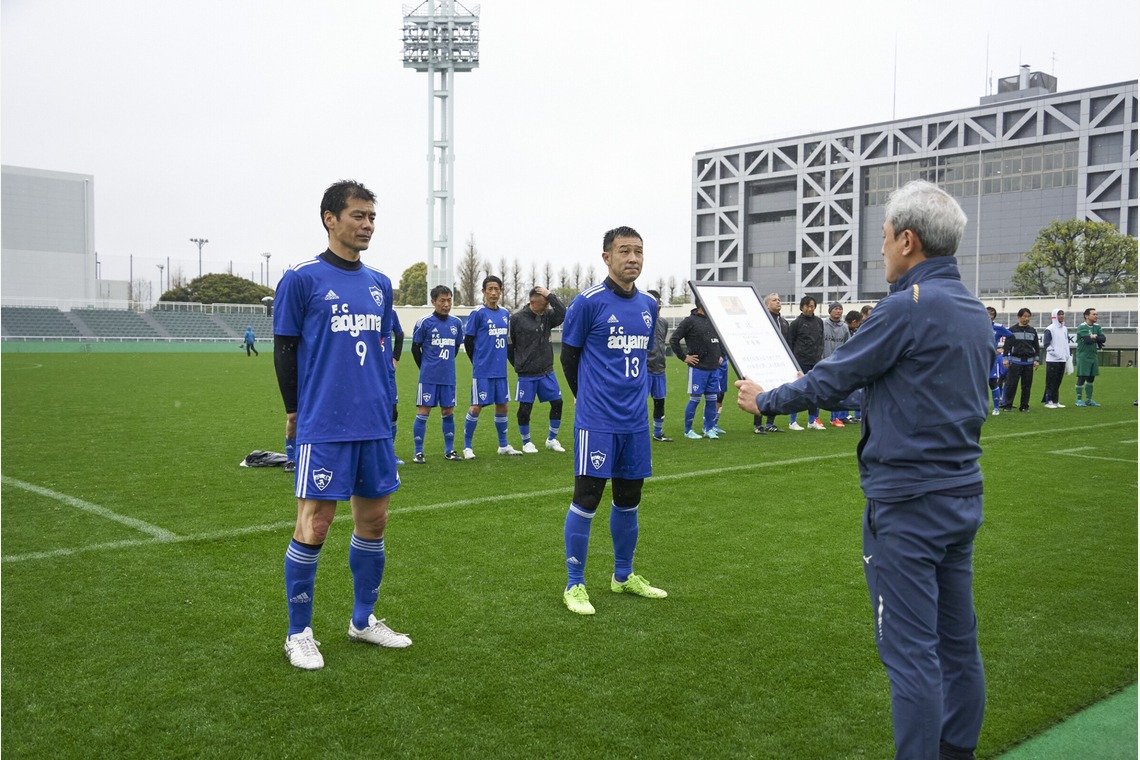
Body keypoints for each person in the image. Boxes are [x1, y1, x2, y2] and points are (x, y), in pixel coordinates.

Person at [737, 180, 989, 760]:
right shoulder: (974, 310)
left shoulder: (905, 308)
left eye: (883, 239)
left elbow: (831, 378)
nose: (881, 252)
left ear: (908, 240)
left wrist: (767, 399)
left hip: (907, 504)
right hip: (961, 495)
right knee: (957, 643)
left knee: (911, 654)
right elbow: (904, 389)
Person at [273, 180, 412, 671]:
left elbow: (381, 349)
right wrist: (294, 410)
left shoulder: (379, 282)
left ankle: (363, 620)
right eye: (357, 216)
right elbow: (285, 349)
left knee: (374, 522)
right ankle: (299, 632)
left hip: (373, 422)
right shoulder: (301, 278)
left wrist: (389, 403)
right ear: (330, 219)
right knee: (316, 523)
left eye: (372, 217)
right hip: (324, 423)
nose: (367, 225)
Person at [560, 225, 666, 615]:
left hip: (635, 423)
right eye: (624, 251)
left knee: (629, 500)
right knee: (587, 499)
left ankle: (623, 577)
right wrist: (586, 399)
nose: (633, 258)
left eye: (638, 251)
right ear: (607, 257)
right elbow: (568, 358)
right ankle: (574, 585)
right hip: (597, 421)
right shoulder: (587, 303)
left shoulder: (649, 306)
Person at [462, 276, 523, 458]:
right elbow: (468, 341)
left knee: (503, 406)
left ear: (501, 291)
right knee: (476, 407)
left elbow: (507, 341)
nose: (494, 292)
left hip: (500, 371)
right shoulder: (478, 313)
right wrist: (478, 362)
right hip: (482, 370)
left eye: (497, 289)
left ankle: (503, 446)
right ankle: (467, 447)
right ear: (484, 291)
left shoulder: (505, 313)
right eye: (490, 289)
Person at [508, 286, 567, 453]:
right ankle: (526, 442)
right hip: (527, 374)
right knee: (525, 408)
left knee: (558, 403)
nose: (548, 305)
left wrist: (550, 295)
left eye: (548, 302)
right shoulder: (517, 319)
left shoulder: (547, 316)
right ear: (533, 302)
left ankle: (552, 439)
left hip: (547, 371)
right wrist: (520, 364)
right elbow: (509, 346)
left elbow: (563, 312)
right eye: (544, 302)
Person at [410, 285, 465, 463]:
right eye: (442, 300)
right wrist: (425, 367)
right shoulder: (424, 322)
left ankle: (449, 451)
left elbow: (456, 347)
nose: (446, 304)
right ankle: (418, 452)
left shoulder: (456, 323)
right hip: (428, 377)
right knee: (424, 411)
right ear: (433, 301)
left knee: (448, 411)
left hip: (448, 377)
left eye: (449, 300)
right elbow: (415, 348)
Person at [669, 300, 724, 439]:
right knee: (695, 399)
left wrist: (721, 354)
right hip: (698, 368)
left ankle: (709, 429)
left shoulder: (713, 321)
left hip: (714, 368)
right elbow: (673, 339)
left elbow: (721, 340)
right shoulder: (689, 321)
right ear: (701, 305)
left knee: (712, 399)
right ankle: (688, 431)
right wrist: (684, 357)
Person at [785, 295, 825, 430]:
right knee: (797, 390)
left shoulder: (819, 322)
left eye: (812, 306)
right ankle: (792, 421)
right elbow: (790, 342)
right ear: (802, 307)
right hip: (800, 361)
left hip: (815, 361)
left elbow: (821, 341)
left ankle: (813, 420)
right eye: (807, 306)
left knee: (815, 391)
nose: (810, 308)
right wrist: (792, 361)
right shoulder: (796, 323)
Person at [754, 293, 789, 434]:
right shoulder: (762, 320)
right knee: (761, 392)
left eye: (779, 300)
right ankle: (757, 425)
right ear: (767, 305)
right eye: (775, 300)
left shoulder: (784, 322)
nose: (778, 302)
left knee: (775, 393)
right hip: (764, 361)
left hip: (779, 363)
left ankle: (770, 423)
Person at [646, 289, 673, 442]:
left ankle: (658, 433)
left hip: (660, 369)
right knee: (639, 403)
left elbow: (662, 342)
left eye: (658, 302)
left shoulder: (663, 322)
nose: (657, 305)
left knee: (660, 401)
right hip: (644, 369)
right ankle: (638, 432)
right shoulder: (640, 319)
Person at [1001, 308, 1040, 412]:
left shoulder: (1032, 331)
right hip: (1015, 362)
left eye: (1028, 316)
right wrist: (1005, 359)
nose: (1026, 318)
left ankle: (1024, 406)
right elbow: (1007, 347)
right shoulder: (1012, 330)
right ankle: (1008, 405)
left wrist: (1036, 360)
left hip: (1028, 362)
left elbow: (1036, 347)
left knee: (1027, 386)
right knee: (1011, 385)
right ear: (1019, 317)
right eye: (1024, 316)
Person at [823, 301, 850, 426]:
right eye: (836, 309)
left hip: (838, 363)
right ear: (830, 311)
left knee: (837, 390)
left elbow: (848, 344)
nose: (838, 311)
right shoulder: (823, 324)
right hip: (824, 361)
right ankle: (813, 419)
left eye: (840, 309)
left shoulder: (844, 327)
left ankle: (835, 418)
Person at [1074, 307, 1106, 407]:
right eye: (1094, 314)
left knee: (1091, 378)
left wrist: (1094, 337)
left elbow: (1103, 339)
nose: (1096, 316)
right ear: (1087, 316)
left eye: (1096, 314)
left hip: (1093, 355)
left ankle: (1088, 400)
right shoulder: (1082, 327)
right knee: (1082, 376)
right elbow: (1087, 341)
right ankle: (1078, 400)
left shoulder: (1097, 327)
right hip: (1083, 355)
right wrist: (1097, 338)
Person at [986, 307, 1013, 416]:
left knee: (993, 383)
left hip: (991, 360)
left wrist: (1003, 350)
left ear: (994, 317)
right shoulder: (976, 327)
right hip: (978, 360)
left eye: (991, 314)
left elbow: (1011, 336)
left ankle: (996, 408)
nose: (989, 316)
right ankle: (979, 408)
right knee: (977, 385)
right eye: (987, 313)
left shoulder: (998, 327)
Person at [1041, 309, 1070, 408]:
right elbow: (1046, 344)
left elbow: (1066, 343)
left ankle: (1055, 401)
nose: (1061, 316)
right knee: (1050, 381)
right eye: (1059, 314)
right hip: (1052, 360)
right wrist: (1056, 354)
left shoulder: (1065, 329)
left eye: (1062, 314)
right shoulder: (1050, 329)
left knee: (1058, 381)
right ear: (1054, 316)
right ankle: (1048, 401)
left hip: (1062, 360)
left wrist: (1067, 356)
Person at [389, 311, 405, 465]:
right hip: (366, 369)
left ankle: (389, 453)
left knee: (392, 412)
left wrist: (395, 357)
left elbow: (399, 336)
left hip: (387, 371)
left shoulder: (391, 313)